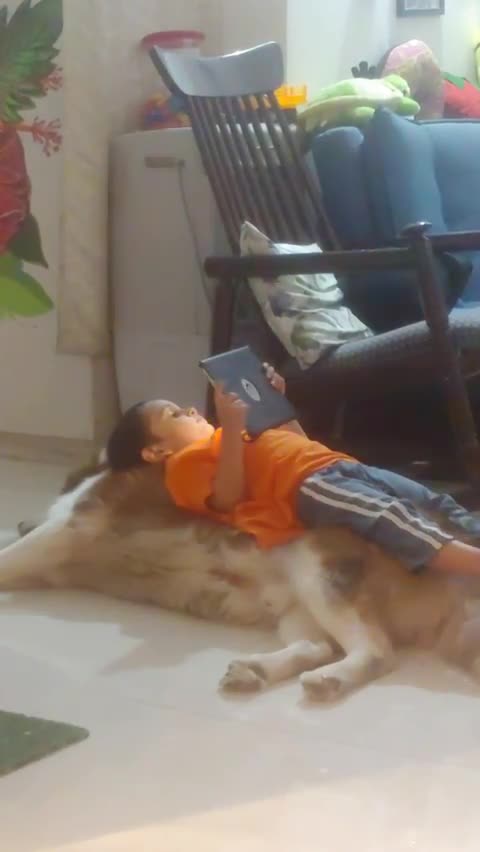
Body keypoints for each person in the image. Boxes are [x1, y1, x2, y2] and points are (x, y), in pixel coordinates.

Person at [106, 365, 480, 578]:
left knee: (431, 499)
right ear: (156, 450)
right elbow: (227, 497)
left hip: (337, 464)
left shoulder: (230, 435)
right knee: (391, 517)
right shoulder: (184, 465)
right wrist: (233, 428)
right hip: (306, 487)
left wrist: (274, 402)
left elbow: (297, 441)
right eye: (174, 414)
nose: (190, 409)